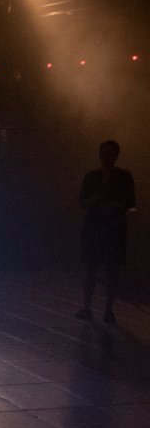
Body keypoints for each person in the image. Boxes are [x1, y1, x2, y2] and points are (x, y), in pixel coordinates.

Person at [76, 139, 135, 324]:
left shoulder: (124, 177)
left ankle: (108, 309)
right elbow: (82, 202)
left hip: (113, 226)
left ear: (116, 155)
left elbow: (131, 202)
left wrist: (115, 206)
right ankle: (87, 307)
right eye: (104, 153)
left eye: (110, 153)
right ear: (99, 154)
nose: (106, 157)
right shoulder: (91, 176)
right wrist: (95, 200)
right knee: (90, 267)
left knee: (112, 269)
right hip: (95, 225)